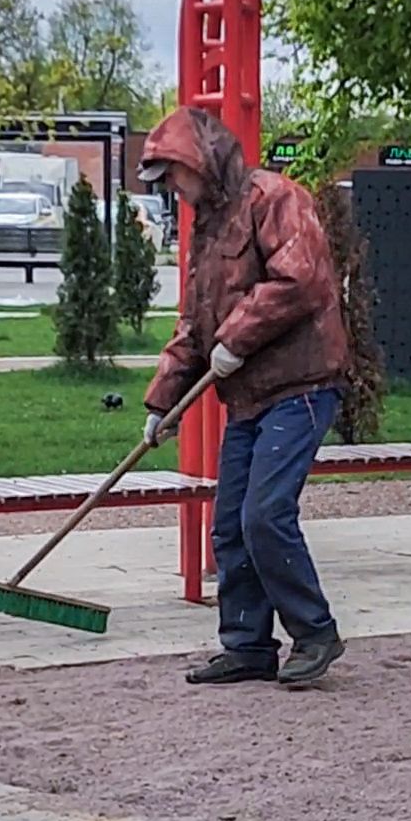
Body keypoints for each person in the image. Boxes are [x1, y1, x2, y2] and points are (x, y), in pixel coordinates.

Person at [138, 106, 350, 687]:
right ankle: (248, 645)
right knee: (230, 524)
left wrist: (234, 339)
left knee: (265, 516)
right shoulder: (205, 228)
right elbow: (192, 323)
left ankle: (314, 633)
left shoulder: (275, 199)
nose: (175, 194)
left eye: (174, 178)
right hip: (250, 394)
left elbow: (302, 279)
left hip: (301, 386)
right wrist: (163, 401)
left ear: (199, 164)